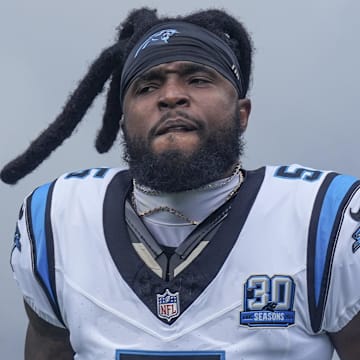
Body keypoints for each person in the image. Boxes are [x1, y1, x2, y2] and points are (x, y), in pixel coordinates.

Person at [2, 7, 360, 360]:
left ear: (242, 112)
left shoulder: (325, 220)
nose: (170, 96)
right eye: (147, 86)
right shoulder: (58, 217)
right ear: (124, 122)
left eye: (198, 80)